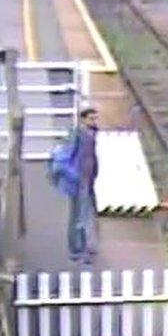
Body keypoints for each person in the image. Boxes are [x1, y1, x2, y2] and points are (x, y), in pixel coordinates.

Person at [68, 107, 100, 264]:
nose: (94, 122)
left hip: (88, 179)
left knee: (85, 214)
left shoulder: (91, 134)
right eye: (91, 119)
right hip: (79, 179)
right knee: (80, 215)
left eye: (95, 119)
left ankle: (83, 247)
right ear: (83, 119)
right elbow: (71, 155)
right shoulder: (78, 135)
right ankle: (78, 249)